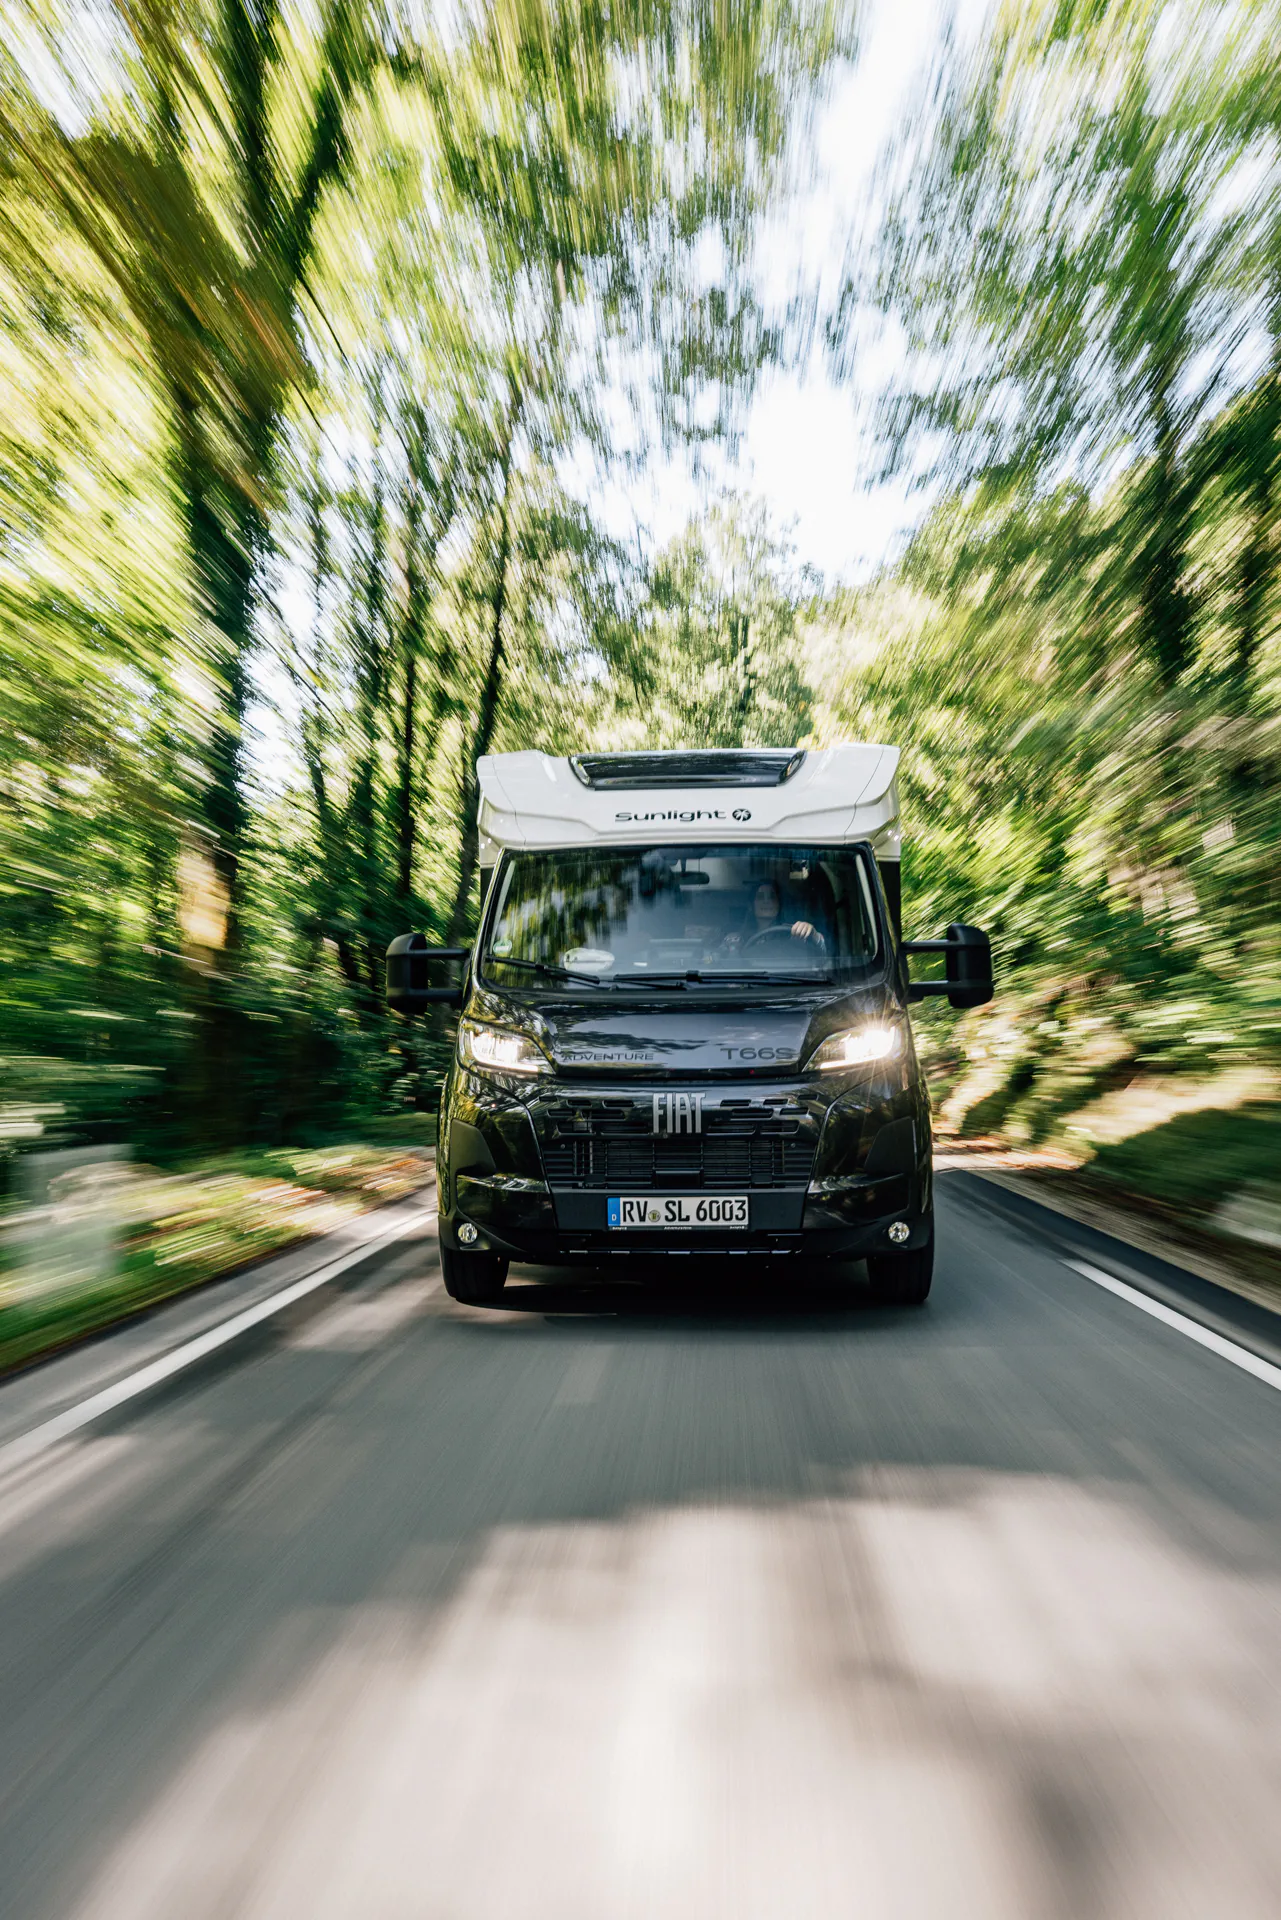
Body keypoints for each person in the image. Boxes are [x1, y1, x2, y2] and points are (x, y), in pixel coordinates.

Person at [722, 879, 826, 953]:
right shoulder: (736, 939)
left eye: (772, 897)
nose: (766, 901)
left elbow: (822, 952)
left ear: (779, 903)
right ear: (751, 906)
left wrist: (812, 933)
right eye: (760, 897)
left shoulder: (793, 932)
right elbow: (718, 961)